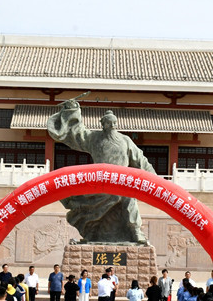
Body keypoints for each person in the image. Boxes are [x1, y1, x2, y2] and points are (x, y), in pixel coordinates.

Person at [47, 100, 156, 243]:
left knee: (129, 196)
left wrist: (155, 181)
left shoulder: (125, 140)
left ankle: (135, 230)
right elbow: (77, 134)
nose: (112, 126)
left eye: (114, 123)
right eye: (108, 123)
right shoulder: (95, 138)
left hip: (121, 183)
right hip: (100, 183)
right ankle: (92, 232)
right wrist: (72, 110)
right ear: (102, 124)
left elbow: (141, 160)